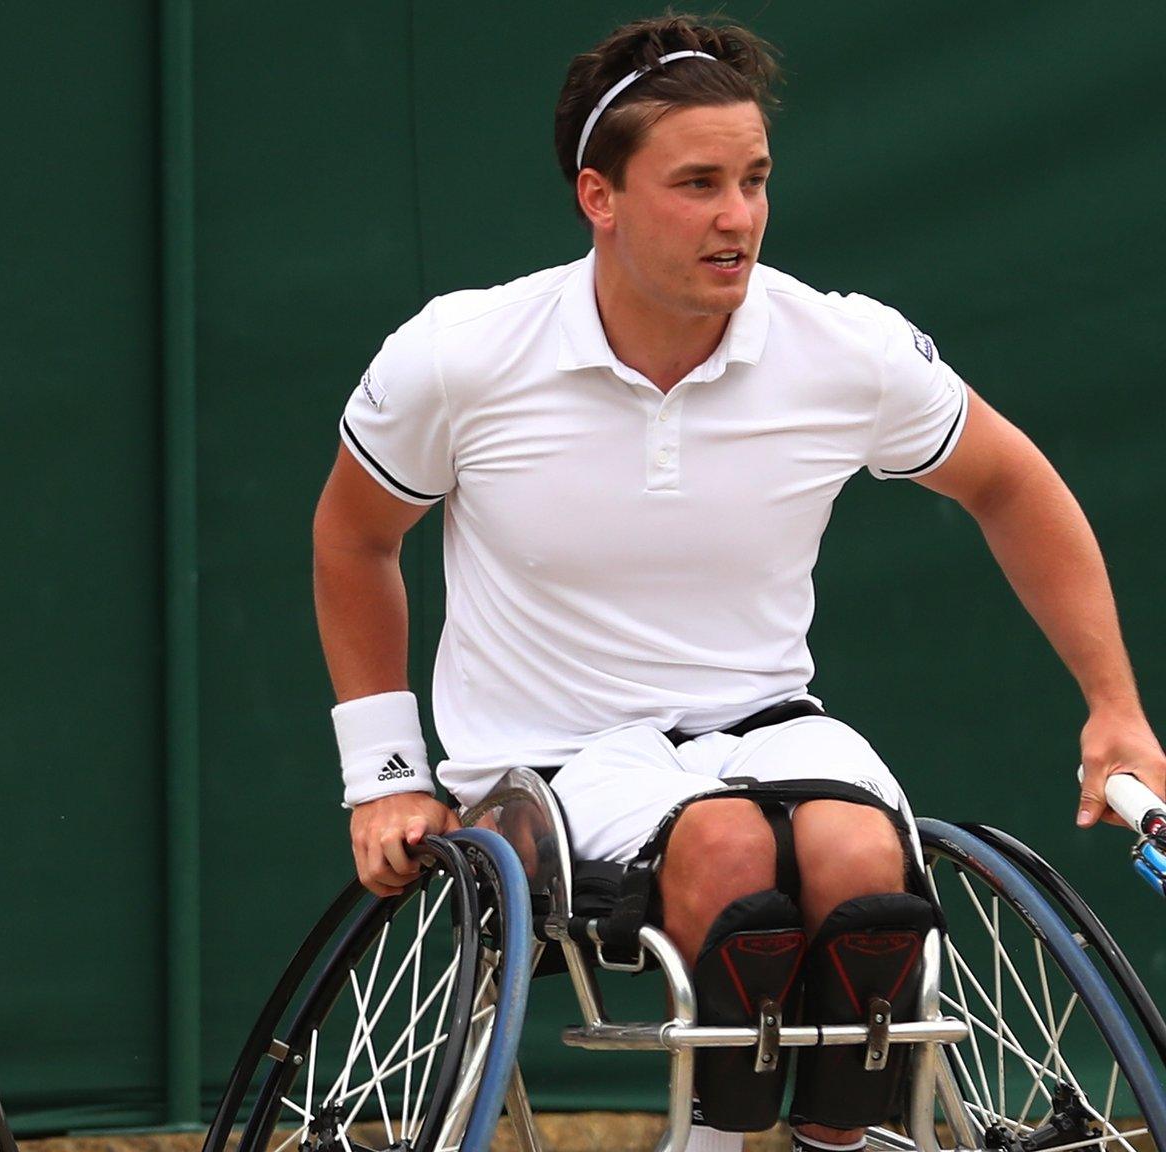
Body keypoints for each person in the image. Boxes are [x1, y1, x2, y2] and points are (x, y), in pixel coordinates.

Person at [310, 14, 1166, 1151]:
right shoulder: (458, 356)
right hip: (543, 763)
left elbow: (1008, 481)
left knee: (863, 863)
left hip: (769, 731)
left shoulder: (841, 348)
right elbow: (352, 538)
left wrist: (1113, 707)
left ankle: (832, 1140)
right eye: (697, 183)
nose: (737, 217)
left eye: (754, 181)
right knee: (724, 847)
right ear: (596, 198)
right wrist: (381, 774)